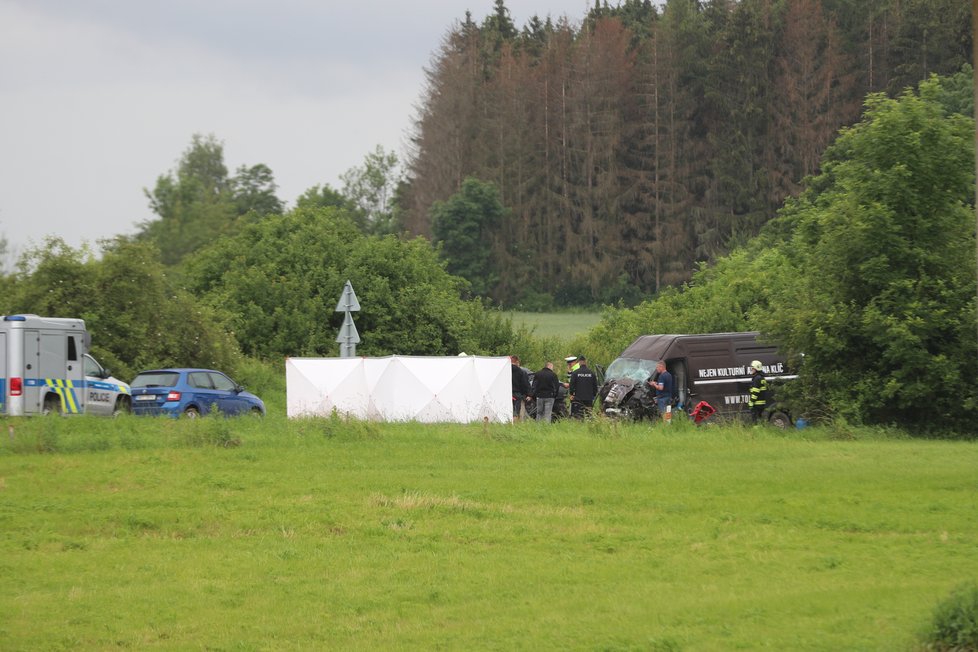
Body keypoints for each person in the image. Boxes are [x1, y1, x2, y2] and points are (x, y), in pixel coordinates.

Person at [510, 355, 531, 421]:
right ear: (517, 362)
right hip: (518, 395)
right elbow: (525, 384)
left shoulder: (504, 371)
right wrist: (529, 394)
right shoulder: (521, 372)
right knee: (517, 411)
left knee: (508, 411)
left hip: (506, 394)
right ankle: (516, 424)